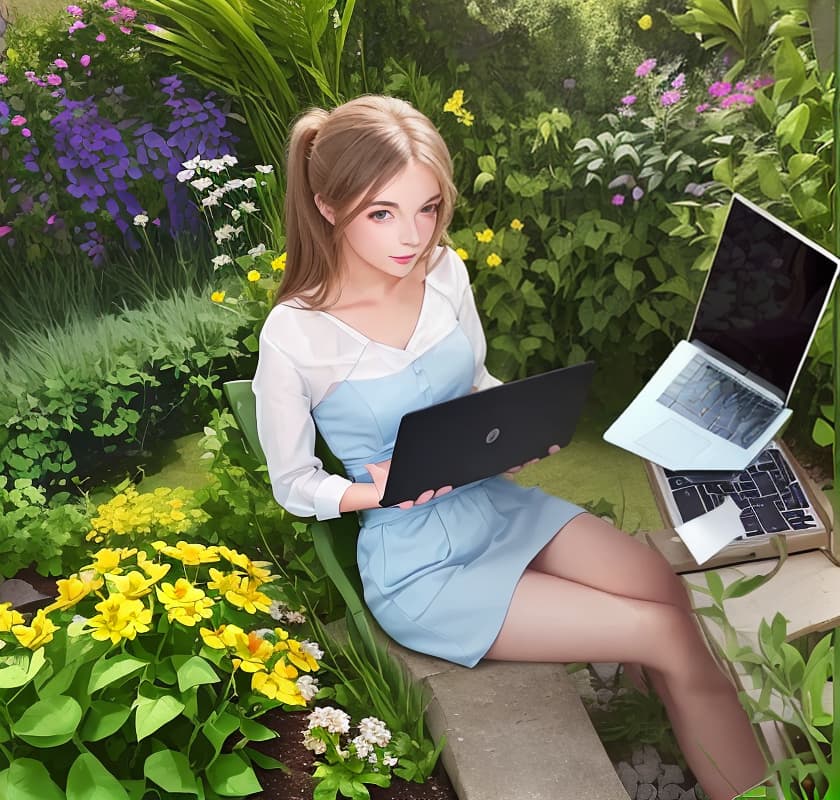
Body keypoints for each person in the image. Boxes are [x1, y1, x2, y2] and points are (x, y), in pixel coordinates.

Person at [252, 95, 767, 800]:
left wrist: (510, 427)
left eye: (428, 207)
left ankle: (664, 724)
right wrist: (374, 488)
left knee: (657, 587)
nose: (412, 235)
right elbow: (292, 481)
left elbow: (478, 379)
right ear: (329, 206)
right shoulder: (296, 332)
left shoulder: (443, 272)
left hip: (490, 498)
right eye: (383, 212)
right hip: (421, 563)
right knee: (666, 632)